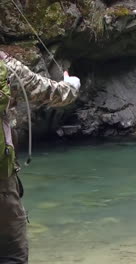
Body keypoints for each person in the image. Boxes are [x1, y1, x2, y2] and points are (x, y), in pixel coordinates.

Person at [0, 50, 80, 264]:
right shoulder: (6, 67)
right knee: (11, 255)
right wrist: (72, 85)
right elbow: (55, 94)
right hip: (1, 182)